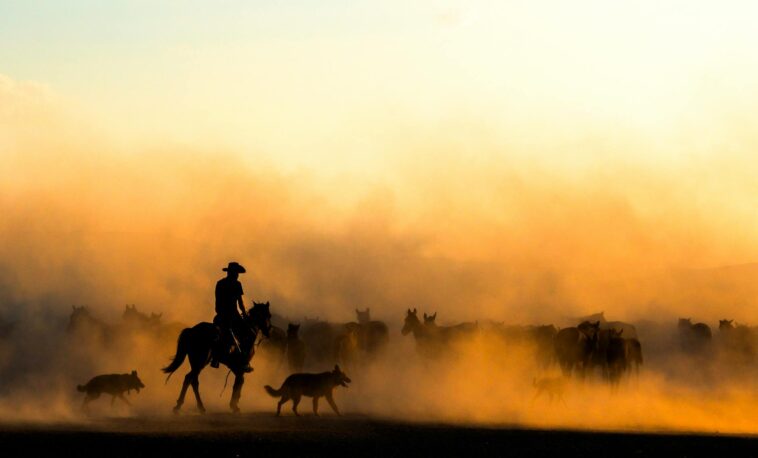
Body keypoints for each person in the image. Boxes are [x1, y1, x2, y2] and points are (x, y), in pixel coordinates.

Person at [211, 261, 252, 372]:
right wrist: (244, 313)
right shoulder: (237, 284)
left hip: (221, 314)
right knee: (248, 333)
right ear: (233, 273)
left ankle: (215, 358)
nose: (237, 275)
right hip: (233, 315)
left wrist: (220, 311)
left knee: (219, 335)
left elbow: (217, 301)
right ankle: (243, 360)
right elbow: (240, 302)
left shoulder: (220, 283)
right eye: (237, 272)